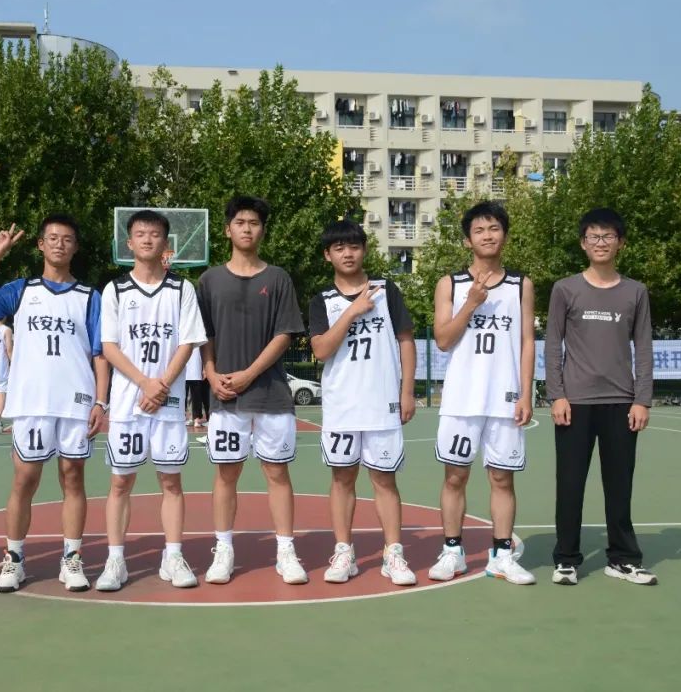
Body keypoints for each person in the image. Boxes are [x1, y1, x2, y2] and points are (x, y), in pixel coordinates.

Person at [0, 214, 109, 593]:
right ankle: (14, 559)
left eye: (67, 239)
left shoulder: (89, 297)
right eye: (52, 238)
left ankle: (72, 558)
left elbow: (99, 353)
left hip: (76, 401)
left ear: (75, 247)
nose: (60, 244)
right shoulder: (22, 289)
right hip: (32, 402)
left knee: (73, 478)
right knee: (24, 479)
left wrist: (101, 402)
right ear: (40, 245)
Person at [94, 209, 207, 591]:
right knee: (120, 482)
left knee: (171, 481)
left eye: (154, 233)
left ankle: (172, 555)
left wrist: (162, 386)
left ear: (165, 242)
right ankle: (116, 560)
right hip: (129, 403)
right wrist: (145, 383)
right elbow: (109, 346)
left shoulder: (182, 289)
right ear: (129, 243)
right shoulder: (115, 290)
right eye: (140, 233)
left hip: (168, 404)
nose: (147, 239)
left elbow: (188, 342)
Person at [197, 196, 307, 585]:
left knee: (277, 472)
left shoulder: (277, 278)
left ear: (263, 230)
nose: (247, 228)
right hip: (225, 396)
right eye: (240, 222)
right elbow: (204, 334)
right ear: (227, 229)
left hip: (271, 394)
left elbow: (285, 334)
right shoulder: (209, 280)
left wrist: (249, 374)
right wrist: (211, 373)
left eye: (254, 223)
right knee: (226, 473)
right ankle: (224, 550)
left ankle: (286, 551)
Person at [546, 207, 656, 586]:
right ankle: (566, 559)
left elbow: (644, 347)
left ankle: (623, 559)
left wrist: (642, 399)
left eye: (608, 236)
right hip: (574, 404)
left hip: (622, 403)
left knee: (619, 486)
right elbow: (552, 344)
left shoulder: (636, 292)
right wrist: (556, 395)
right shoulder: (565, 289)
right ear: (583, 243)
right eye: (593, 236)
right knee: (570, 484)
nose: (601, 242)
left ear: (620, 242)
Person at [429, 201, 536, 586]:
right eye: (479, 230)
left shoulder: (521, 285)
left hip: (504, 398)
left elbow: (526, 341)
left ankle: (502, 555)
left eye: (494, 228)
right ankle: (453, 552)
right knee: (455, 478)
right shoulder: (451, 284)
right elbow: (443, 339)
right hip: (462, 399)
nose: (488, 236)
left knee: (502, 479)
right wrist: (471, 305)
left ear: (504, 235)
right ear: (467, 240)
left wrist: (526, 393)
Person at [308, 220, 417, 586]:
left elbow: (405, 341)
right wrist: (353, 311)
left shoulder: (387, 291)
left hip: (382, 403)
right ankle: (344, 551)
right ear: (328, 255)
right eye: (339, 248)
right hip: (342, 406)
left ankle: (393, 553)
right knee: (342, 478)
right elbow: (321, 350)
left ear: (364, 250)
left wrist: (406, 391)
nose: (348, 253)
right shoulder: (322, 300)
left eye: (353, 246)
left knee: (384, 480)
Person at [184, 348, 209, 428]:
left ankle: (197, 418)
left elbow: (204, 353)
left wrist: (204, 369)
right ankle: (183, 417)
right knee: (183, 396)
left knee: (196, 396)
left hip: (196, 369)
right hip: (184, 370)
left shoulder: (200, 341)